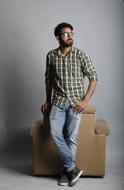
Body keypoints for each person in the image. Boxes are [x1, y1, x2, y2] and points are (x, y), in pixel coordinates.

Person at [41, 22, 98, 186]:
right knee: (54, 133)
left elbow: (94, 77)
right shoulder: (51, 56)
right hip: (57, 102)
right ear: (58, 37)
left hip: (75, 103)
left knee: (71, 137)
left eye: (71, 33)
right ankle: (72, 168)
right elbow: (48, 80)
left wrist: (85, 100)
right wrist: (47, 100)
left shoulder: (81, 55)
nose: (70, 36)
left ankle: (66, 173)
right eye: (65, 34)